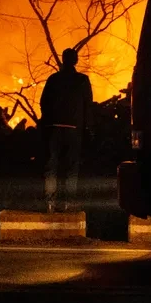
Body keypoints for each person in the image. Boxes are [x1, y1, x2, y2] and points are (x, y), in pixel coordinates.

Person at [39, 48, 93, 212]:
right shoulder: (82, 80)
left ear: (63, 60)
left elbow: (43, 102)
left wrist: (48, 121)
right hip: (73, 130)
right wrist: (88, 127)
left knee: (51, 166)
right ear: (75, 61)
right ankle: (68, 203)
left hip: (53, 129)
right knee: (71, 167)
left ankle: (50, 203)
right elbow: (88, 106)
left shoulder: (53, 79)